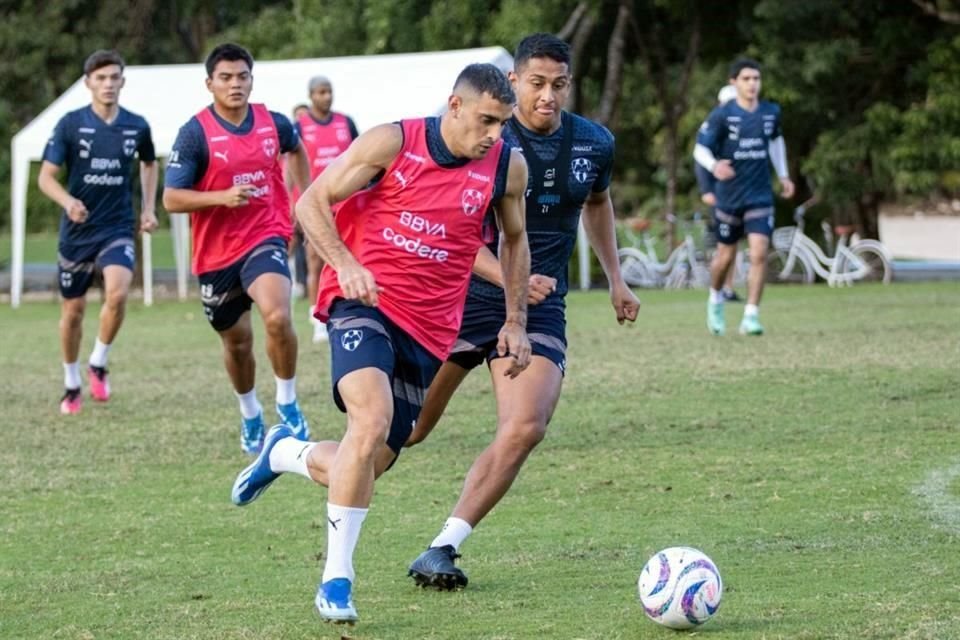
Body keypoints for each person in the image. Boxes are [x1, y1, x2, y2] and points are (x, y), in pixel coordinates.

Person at [228, 62, 532, 625]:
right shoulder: (393, 141)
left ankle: (283, 453)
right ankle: (336, 580)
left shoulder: (506, 167)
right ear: (455, 106)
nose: (495, 134)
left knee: (367, 461)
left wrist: (515, 319)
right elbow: (310, 202)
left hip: (429, 328)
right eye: (487, 120)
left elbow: (515, 241)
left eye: (503, 123)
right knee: (368, 424)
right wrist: (344, 264)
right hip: (363, 305)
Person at [403, 32, 641, 590]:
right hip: (459, 302)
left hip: (538, 311)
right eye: (536, 84)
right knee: (402, 436)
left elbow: (598, 203)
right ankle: (290, 454)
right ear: (513, 81)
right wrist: (509, 277)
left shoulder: (594, 143)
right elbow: (451, 230)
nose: (548, 96)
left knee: (526, 425)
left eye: (559, 85)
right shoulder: (484, 138)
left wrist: (616, 279)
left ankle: (443, 547)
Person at [162, 43, 311, 453]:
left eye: (242, 76)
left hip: (266, 234)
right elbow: (172, 199)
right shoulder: (195, 134)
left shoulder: (272, 123)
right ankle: (249, 413)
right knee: (238, 342)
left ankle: (288, 405)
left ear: (251, 79)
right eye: (225, 78)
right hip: (215, 254)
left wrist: (304, 196)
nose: (235, 84)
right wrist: (220, 197)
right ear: (210, 84)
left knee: (278, 316)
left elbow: (296, 147)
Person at [38, 49, 158, 415]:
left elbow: (150, 164)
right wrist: (68, 202)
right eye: (100, 78)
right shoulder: (71, 124)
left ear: (122, 81)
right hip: (77, 233)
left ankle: (99, 361)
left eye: (113, 77)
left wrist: (149, 207)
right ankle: (72, 382)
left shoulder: (137, 126)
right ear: (88, 83)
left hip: (118, 227)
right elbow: (45, 178)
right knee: (72, 311)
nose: (108, 84)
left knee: (118, 294)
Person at [694, 57, 794, 336]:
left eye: (756, 79)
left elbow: (775, 142)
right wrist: (715, 167)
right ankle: (715, 299)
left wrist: (783, 175)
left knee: (760, 253)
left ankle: (751, 315)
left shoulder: (770, 112)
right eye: (746, 79)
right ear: (734, 82)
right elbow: (699, 150)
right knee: (725, 256)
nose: (752, 84)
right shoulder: (722, 115)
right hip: (729, 198)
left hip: (760, 195)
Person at [293, 76, 360, 343]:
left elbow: (360, 158)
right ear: (311, 95)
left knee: (351, 257)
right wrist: (293, 204)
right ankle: (317, 320)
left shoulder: (346, 122)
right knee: (315, 261)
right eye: (321, 92)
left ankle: (349, 309)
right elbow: (291, 166)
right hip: (315, 204)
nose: (326, 96)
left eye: (329, 91)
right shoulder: (300, 126)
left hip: (346, 203)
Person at [696, 84, 741, 302]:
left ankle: (728, 289)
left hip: (736, 194)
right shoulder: (713, 125)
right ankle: (719, 290)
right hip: (719, 194)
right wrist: (707, 190)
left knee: (732, 245)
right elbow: (700, 158)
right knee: (725, 245)